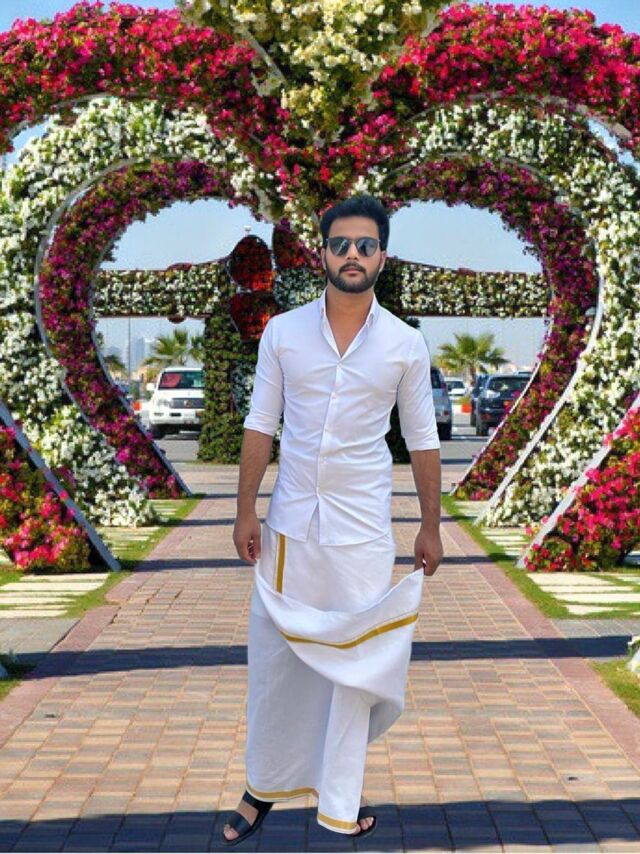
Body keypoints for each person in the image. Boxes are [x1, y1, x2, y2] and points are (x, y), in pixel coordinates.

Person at [224, 195, 443, 845]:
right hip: (290, 526)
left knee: (353, 668)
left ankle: (339, 797)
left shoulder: (405, 344)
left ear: (382, 257)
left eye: (365, 245)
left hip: (362, 532)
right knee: (276, 663)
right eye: (341, 244)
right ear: (322, 252)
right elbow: (261, 423)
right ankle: (263, 787)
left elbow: (422, 439)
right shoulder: (283, 333)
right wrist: (244, 509)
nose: (353, 255)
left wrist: (431, 524)